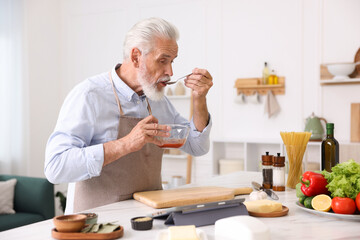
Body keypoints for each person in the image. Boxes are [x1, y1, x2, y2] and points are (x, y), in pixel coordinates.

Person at [45, 17, 213, 214]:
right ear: (136, 57)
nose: (170, 71)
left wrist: (199, 99)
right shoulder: (89, 95)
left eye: (172, 61)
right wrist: (126, 144)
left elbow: (197, 145)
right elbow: (55, 167)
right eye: (163, 60)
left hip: (148, 221)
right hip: (97, 225)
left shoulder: (158, 101)